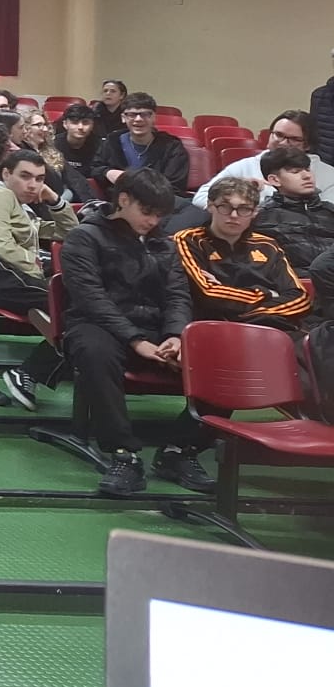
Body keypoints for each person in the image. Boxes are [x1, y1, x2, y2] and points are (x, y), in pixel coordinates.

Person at [57, 168, 205, 498]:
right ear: (123, 200)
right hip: (99, 325)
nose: (153, 221)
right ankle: (124, 454)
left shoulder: (164, 244)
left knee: (221, 359)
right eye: (147, 211)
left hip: (155, 329)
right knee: (95, 351)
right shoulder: (84, 237)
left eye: (159, 215)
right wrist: (135, 340)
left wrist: (175, 335)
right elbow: (91, 298)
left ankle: (179, 449)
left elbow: (177, 296)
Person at [0, 150, 79, 410]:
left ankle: (30, 373)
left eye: (39, 178)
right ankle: (30, 372)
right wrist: (40, 273)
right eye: (25, 176)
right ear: (6, 174)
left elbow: (71, 234)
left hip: (10, 274)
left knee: (79, 312)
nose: (33, 185)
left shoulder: (21, 208)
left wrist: (55, 201)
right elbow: (2, 246)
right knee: (75, 308)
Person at [173, 176, 312, 333]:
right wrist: (267, 294)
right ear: (210, 206)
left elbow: (300, 299)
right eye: (225, 207)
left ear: (255, 212)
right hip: (217, 329)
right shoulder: (188, 239)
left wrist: (247, 317)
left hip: (274, 327)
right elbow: (208, 293)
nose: (234, 215)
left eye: (244, 209)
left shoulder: (268, 245)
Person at [192, 112, 331, 207]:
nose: (283, 143)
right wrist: (240, 196)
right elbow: (201, 198)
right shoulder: (245, 166)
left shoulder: (328, 174)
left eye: (294, 139)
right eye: (278, 135)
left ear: (307, 145)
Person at [248, 146, 334, 272]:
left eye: (307, 169)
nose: (307, 176)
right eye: (295, 172)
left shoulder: (329, 211)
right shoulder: (261, 216)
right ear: (274, 180)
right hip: (293, 280)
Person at [96, 92, 190, 194]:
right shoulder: (112, 141)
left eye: (145, 114)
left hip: (160, 200)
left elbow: (175, 185)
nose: (138, 119)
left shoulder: (172, 146)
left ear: (154, 117)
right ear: (123, 117)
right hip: (121, 200)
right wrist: (108, 172)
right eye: (132, 115)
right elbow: (95, 167)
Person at [11, 109, 74, 202]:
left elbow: (69, 181)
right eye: (38, 125)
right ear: (26, 127)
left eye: (45, 125)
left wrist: (60, 200)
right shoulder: (19, 153)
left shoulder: (51, 152)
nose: (45, 129)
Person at [51, 102, 101, 191]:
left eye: (85, 123)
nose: (80, 127)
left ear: (92, 125)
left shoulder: (100, 146)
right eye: (74, 122)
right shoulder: (53, 144)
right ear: (65, 124)